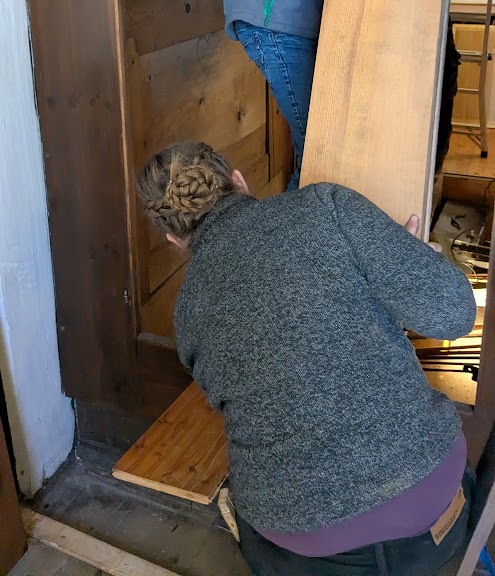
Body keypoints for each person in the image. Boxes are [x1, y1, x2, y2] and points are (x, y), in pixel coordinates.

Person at [138, 140, 477, 576]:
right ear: (238, 181)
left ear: (174, 239)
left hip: (299, 546)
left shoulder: (186, 313)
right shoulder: (326, 205)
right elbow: (454, 315)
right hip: (426, 505)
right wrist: (403, 267)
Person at [200, 0, 459, 196]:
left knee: (327, 163)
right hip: (277, 15)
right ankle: (288, 230)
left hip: (322, 14)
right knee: (320, 166)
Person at [200, 0, 382, 189]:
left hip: (317, 15)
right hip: (277, 16)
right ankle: (283, 224)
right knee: (320, 161)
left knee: (324, 158)